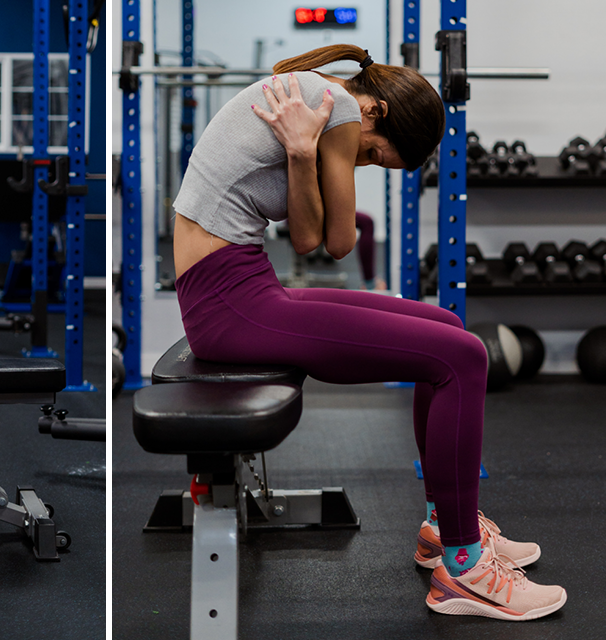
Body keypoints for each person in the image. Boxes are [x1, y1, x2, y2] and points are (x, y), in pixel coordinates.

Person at [171, 44, 566, 620]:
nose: (366, 163)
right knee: (462, 356)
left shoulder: (321, 100)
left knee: (449, 328)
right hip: (228, 305)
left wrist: (304, 156)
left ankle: (442, 524)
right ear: (376, 113)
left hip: (244, 287)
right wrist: (305, 154)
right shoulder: (339, 110)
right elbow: (330, 245)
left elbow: (312, 237)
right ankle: (462, 566)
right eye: (378, 157)